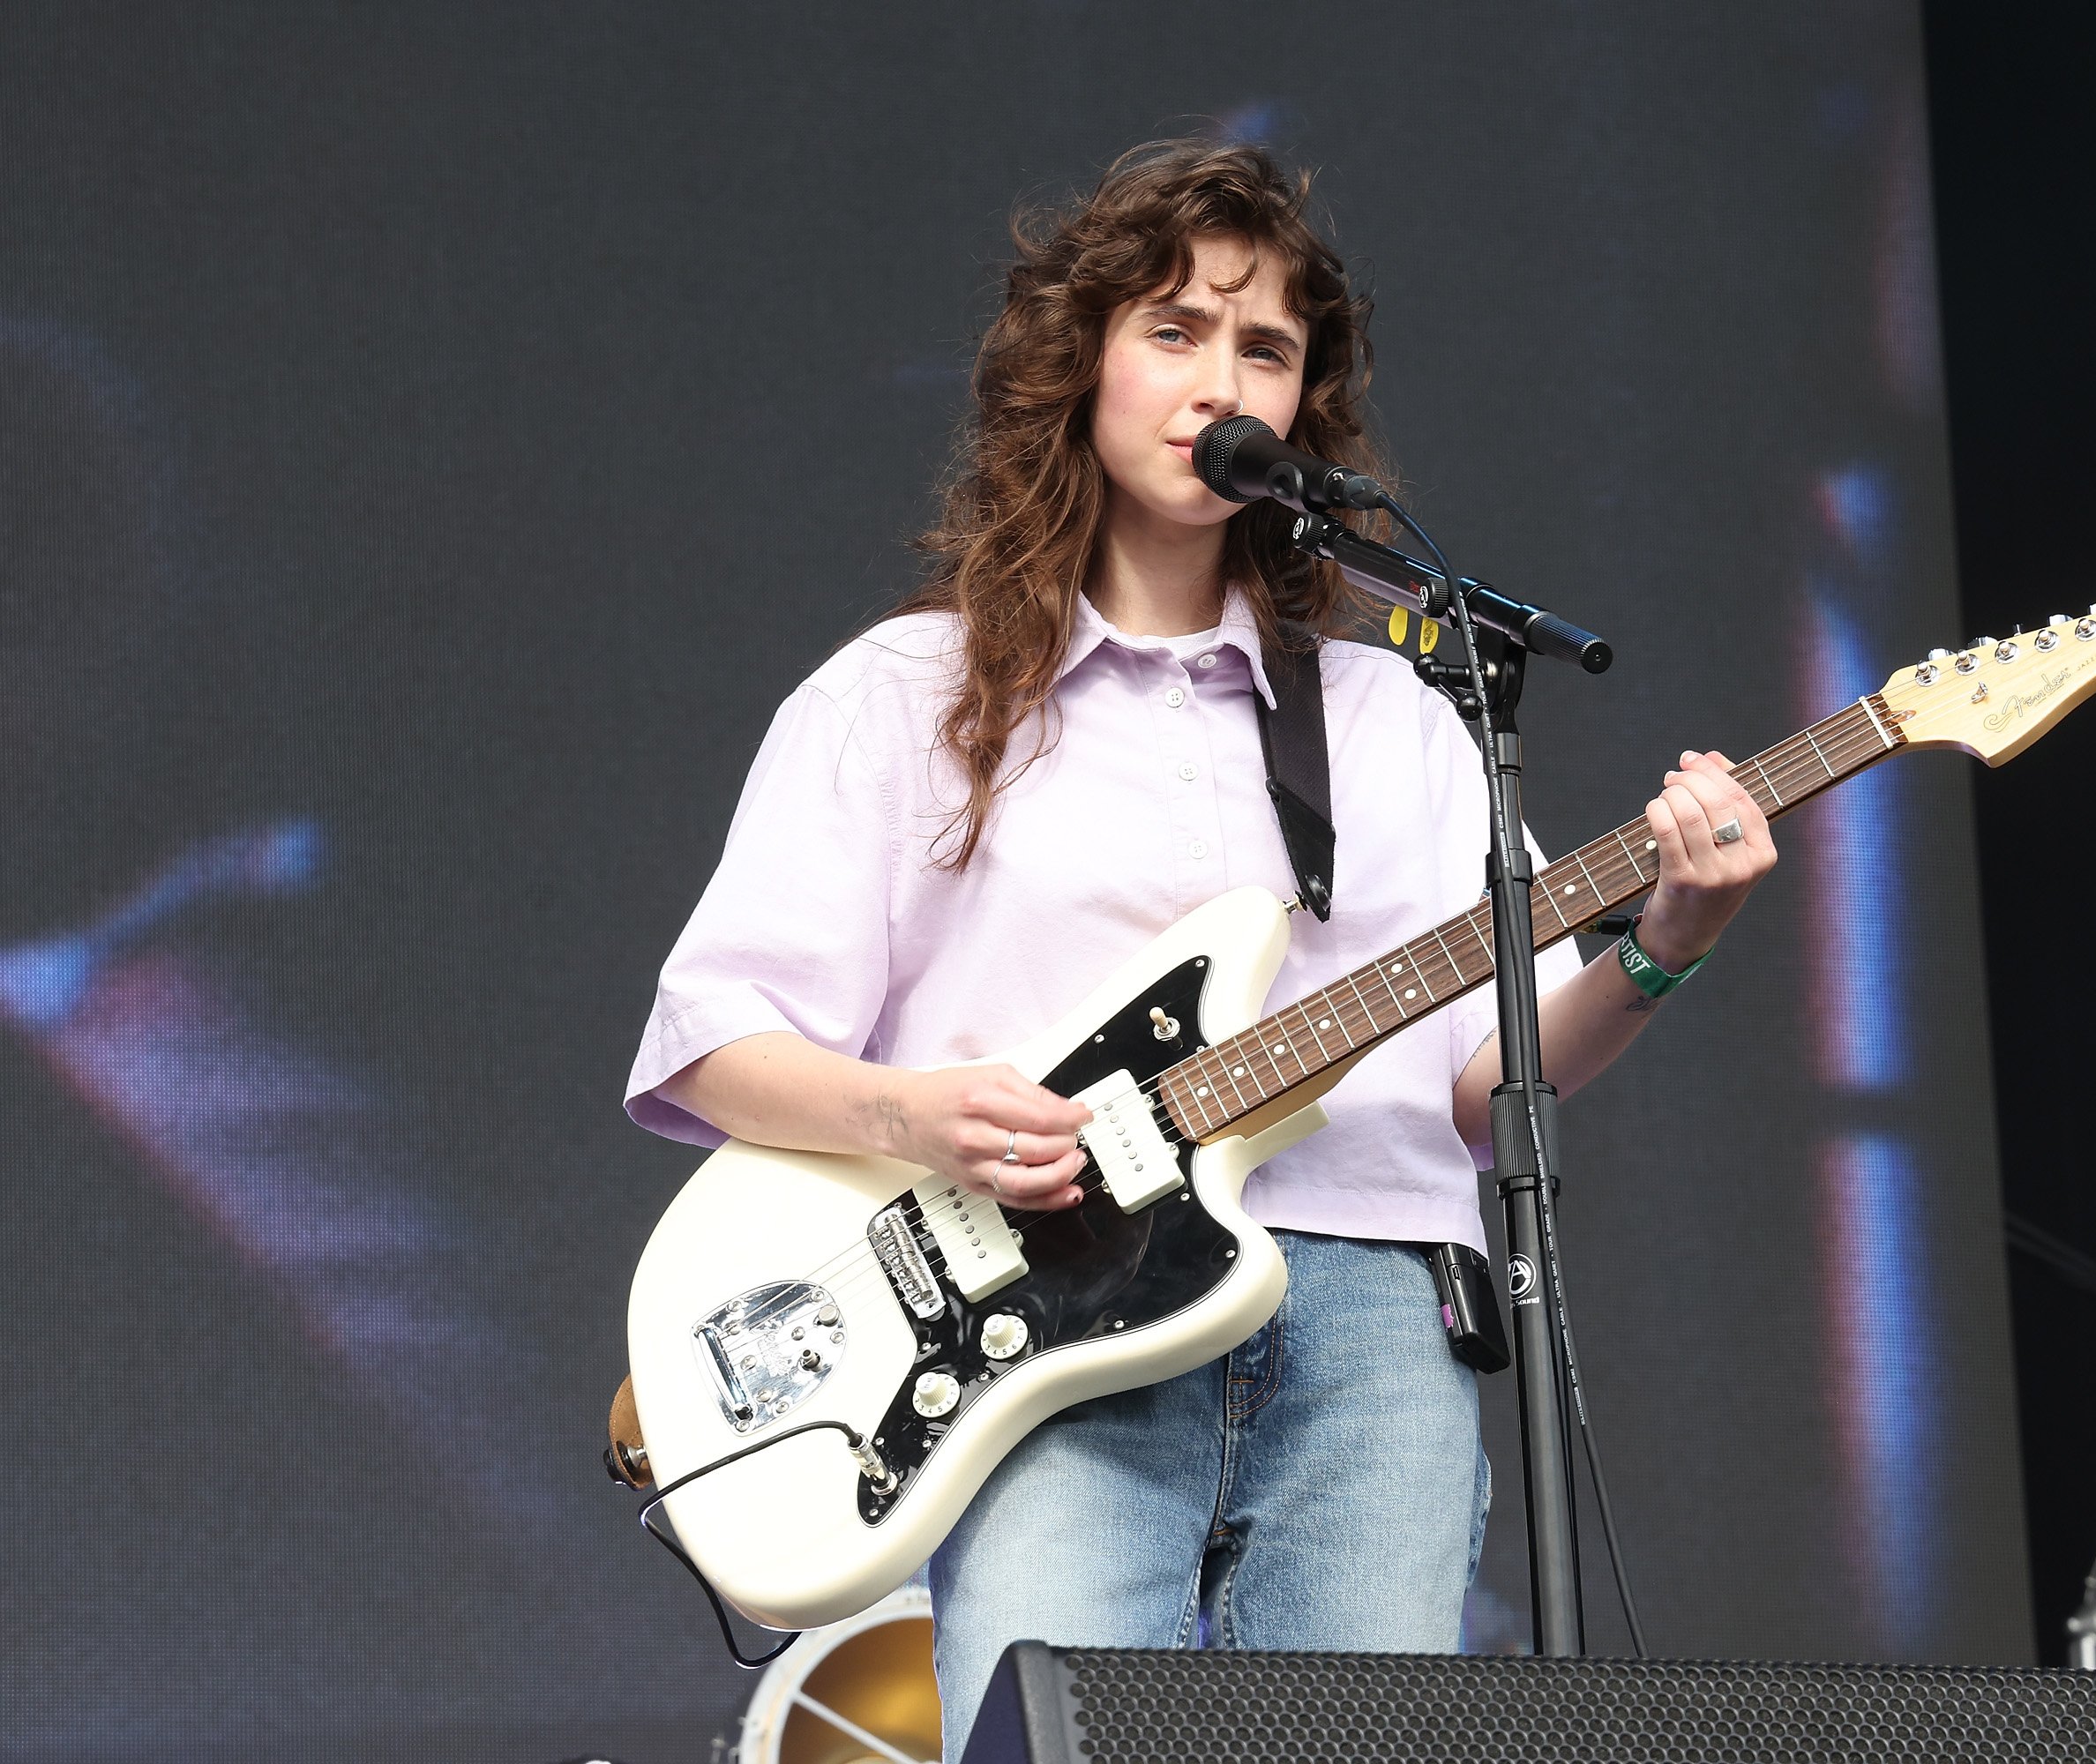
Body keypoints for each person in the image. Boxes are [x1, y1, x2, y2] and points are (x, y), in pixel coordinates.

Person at [623, 138, 1778, 1759]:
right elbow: (711, 1039)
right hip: (1053, 1327)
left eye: (1265, 349)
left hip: (1377, 1324)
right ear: (1076, 366)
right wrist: (914, 1115)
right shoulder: (900, 693)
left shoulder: (1398, 713)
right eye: (1172, 330)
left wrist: (1672, 935)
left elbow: (1485, 1078)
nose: (1217, 377)